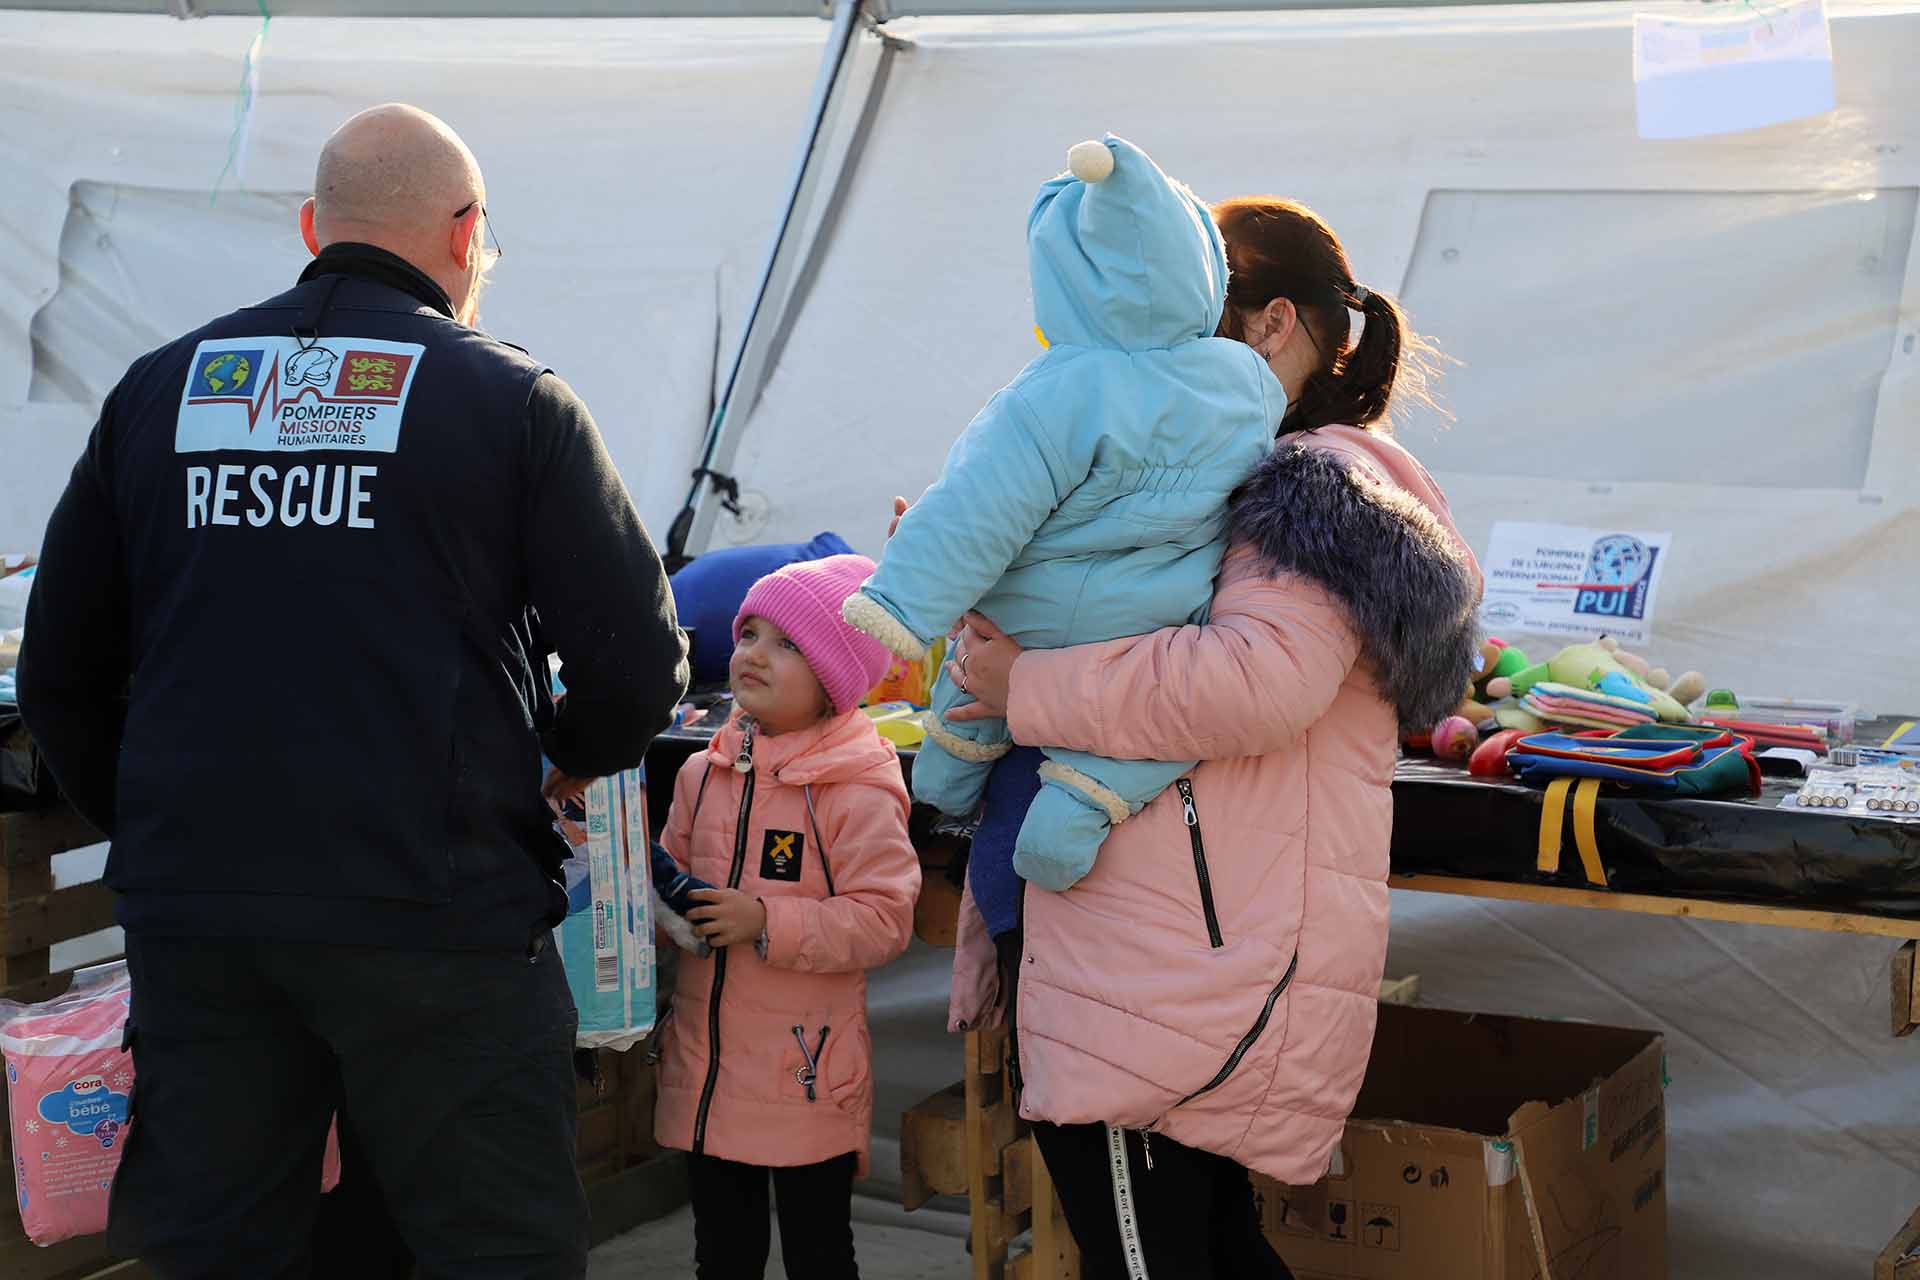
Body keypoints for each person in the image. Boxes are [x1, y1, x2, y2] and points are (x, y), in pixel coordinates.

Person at [15, 103, 688, 1278]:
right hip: (437, 907)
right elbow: (639, 662)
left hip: (208, 914)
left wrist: (167, 822)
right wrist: (563, 757)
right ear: (469, 232)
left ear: (314, 225)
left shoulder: (162, 390)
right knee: (494, 1246)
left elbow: (59, 669)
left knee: (223, 1243)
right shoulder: (510, 400)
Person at [932, 196, 1484, 1278]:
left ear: (1273, 323)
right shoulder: (1202, 462)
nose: (1150, 331)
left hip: (1169, 948)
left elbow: (1257, 681)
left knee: (1157, 1247)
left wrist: (1023, 678)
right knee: (1189, 1244)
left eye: (1191, 304)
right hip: (1134, 932)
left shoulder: (1311, 482)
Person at [842, 135, 1278, 895]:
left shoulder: (1059, 386)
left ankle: (946, 770)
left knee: (982, 655)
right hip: (1155, 620)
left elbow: (977, 506)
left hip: (1036, 612)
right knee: (1142, 740)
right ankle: (1076, 810)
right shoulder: (1246, 381)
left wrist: (900, 601)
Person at [652, 554, 920, 1280]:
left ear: (836, 678)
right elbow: (669, 888)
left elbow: (884, 919)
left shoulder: (853, 788)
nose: (754, 655)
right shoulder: (698, 772)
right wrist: (648, 900)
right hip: (708, 1071)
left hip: (805, 1072)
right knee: (723, 1254)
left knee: (818, 1252)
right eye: (749, 634)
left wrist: (765, 921)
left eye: (788, 643)